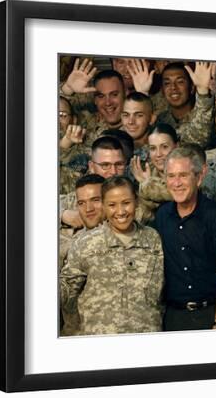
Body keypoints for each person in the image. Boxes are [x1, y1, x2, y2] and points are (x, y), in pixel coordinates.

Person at [60, 176, 165, 335]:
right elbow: (66, 288)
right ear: (103, 206)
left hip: (146, 338)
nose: (121, 211)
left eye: (126, 203)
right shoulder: (86, 243)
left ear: (136, 202)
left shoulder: (153, 239)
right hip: (100, 342)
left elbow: (160, 292)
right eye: (112, 205)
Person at [155, 147, 216, 331]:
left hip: (211, 315)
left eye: (183, 175)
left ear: (199, 177)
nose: (176, 183)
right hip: (174, 318)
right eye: (171, 176)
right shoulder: (162, 216)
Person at [129, 60, 215, 148]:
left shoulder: (207, 115)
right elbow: (141, 139)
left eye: (180, 82)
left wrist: (202, 91)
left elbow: (198, 140)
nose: (173, 87)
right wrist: (142, 95)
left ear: (192, 88)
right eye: (167, 83)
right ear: (162, 91)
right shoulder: (160, 120)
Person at [59, 174, 105, 336]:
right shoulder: (70, 245)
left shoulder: (131, 237)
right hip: (76, 336)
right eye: (81, 203)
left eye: (95, 200)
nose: (88, 209)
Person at [59, 59, 127, 161]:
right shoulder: (85, 121)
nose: (108, 102)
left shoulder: (135, 127)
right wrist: (67, 89)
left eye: (114, 95)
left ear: (125, 95)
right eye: (101, 96)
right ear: (95, 100)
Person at [60, 136, 128, 229]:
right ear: (91, 166)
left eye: (119, 164)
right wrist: (62, 214)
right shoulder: (76, 198)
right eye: (105, 165)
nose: (113, 171)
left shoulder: (133, 200)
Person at [131, 123, 179, 224]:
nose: (158, 154)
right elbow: (141, 218)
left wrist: (149, 186)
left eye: (164, 147)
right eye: (153, 148)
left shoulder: (187, 171)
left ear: (176, 147)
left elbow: (179, 194)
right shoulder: (145, 175)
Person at [120, 91, 156, 162]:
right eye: (126, 115)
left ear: (152, 119)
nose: (131, 122)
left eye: (139, 115)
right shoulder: (114, 145)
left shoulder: (158, 152)